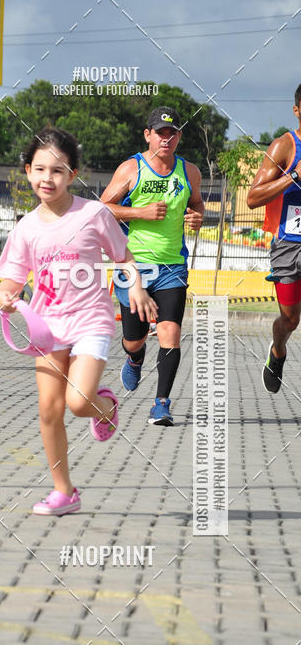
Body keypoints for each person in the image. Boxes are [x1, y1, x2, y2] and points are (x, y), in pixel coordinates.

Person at [0, 126, 156, 517]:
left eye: (58, 171)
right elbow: (8, 284)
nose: (48, 179)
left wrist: (136, 287)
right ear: (28, 171)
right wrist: (5, 299)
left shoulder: (95, 214)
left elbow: (124, 258)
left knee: (78, 401)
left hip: (91, 321)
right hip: (47, 329)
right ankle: (64, 491)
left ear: (72, 174)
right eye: (40, 169)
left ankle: (104, 408)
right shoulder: (26, 228)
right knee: (49, 410)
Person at [101, 106, 204, 426]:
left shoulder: (190, 172)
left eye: (172, 134)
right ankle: (134, 358)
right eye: (160, 133)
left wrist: (198, 215)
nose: (166, 139)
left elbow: (197, 202)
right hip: (134, 267)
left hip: (173, 265)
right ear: (148, 135)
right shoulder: (132, 169)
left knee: (170, 333)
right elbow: (104, 208)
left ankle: (162, 403)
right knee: (135, 338)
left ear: (179, 137)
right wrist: (140, 213)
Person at [247, 84, 301, 393]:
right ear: (296, 110)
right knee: (290, 320)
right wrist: (293, 176)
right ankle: (277, 351)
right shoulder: (284, 146)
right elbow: (253, 198)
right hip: (289, 243)